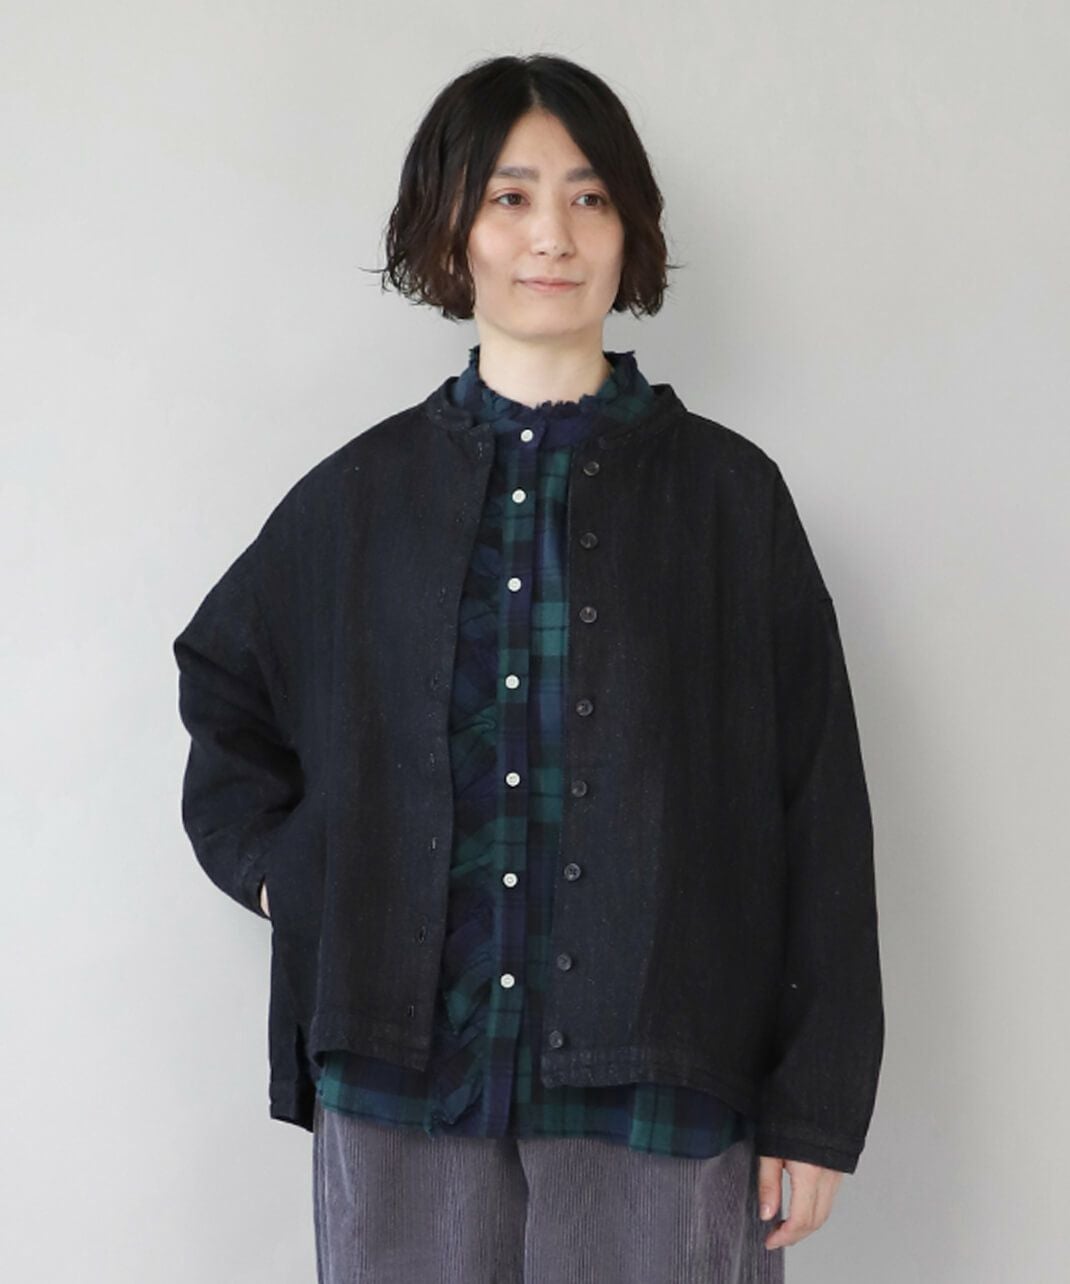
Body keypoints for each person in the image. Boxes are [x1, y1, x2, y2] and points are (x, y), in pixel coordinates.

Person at [173, 53, 884, 1283]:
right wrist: (293, 879)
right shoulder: (356, 499)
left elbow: (817, 805)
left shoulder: (729, 500)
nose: (551, 234)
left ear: (629, 229)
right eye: (510, 196)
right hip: (398, 1088)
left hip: (662, 1083)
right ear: (450, 227)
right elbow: (225, 686)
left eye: (588, 196)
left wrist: (816, 1104)